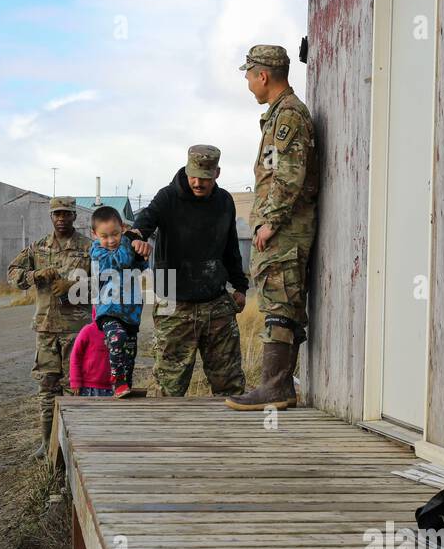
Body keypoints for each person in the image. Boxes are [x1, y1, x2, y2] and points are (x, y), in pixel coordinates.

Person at [226, 44, 317, 412]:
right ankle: (279, 386)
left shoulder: (289, 117)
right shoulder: (280, 114)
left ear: (263, 75)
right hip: (283, 228)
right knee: (280, 303)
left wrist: (268, 222)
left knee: (279, 305)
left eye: (249, 76)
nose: (248, 83)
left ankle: (275, 388)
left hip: (285, 230)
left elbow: (288, 176)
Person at [127, 144, 247, 397]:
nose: (198, 182)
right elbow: (145, 221)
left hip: (216, 303)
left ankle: (231, 435)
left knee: (230, 384)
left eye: (205, 177)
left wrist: (240, 286)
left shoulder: (224, 201)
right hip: (175, 304)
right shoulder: (168, 196)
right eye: (194, 175)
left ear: (217, 173)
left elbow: (231, 247)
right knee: (169, 388)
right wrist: (137, 236)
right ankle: (167, 435)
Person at [7, 197, 92, 456]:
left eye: (66, 213)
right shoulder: (39, 248)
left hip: (76, 330)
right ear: (51, 216)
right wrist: (35, 275)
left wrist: (77, 285)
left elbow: (107, 283)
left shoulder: (89, 248)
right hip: (46, 329)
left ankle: (73, 446)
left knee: (74, 389)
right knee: (46, 388)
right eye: (57, 213)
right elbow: (13, 274)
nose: (61, 218)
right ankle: (47, 444)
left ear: (75, 216)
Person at [90, 205, 147, 397]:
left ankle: (124, 388)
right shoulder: (97, 252)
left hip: (130, 312)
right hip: (109, 310)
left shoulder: (126, 244)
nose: (111, 240)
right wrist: (128, 239)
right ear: (95, 235)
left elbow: (140, 266)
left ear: (122, 227)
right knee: (117, 338)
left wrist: (140, 251)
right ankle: (118, 379)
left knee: (130, 355)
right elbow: (120, 261)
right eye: (104, 236)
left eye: (115, 234)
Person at [70, 307, 113, 397]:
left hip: (109, 387)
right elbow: (75, 356)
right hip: (87, 387)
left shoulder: (116, 333)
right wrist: (75, 381)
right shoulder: (87, 331)